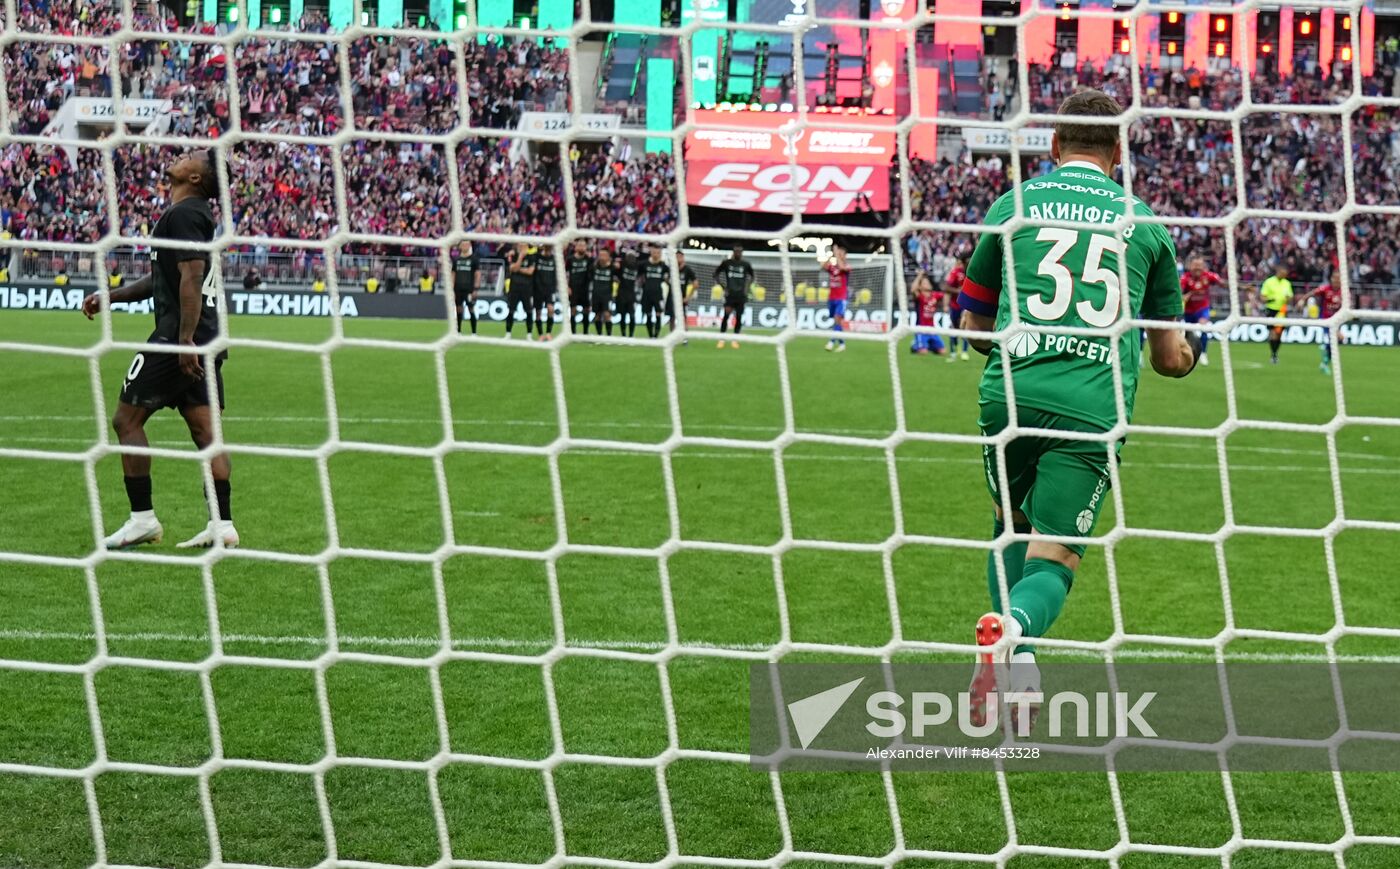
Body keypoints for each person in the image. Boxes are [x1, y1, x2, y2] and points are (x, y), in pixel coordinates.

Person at [955, 90, 1198, 731]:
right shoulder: (1144, 224)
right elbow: (1170, 358)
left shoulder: (1014, 205)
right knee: (1057, 555)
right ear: (1117, 153)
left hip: (1009, 394)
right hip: (1090, 407)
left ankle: (1017, 662)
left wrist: (1021, 330)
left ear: (1055, 146)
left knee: (1010, 523)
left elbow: (973, 324)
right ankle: (1015, 631)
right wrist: (1194, 354)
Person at [80, 150, 239, 550]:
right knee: (206, 433)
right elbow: (162, 280)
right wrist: (112, 296)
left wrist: (184, 341)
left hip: (178, 339)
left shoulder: (185, 215)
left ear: (197, 178)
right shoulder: (193, 216)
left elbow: (190, 276)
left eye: (192, 157)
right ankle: (223, 525)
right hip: (206, 338)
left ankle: (142, 519)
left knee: (125, 420)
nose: (183, 156)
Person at [1296, 271, 1344, 374]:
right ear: (1331, 279)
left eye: (1338, 278)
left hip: (1337, 320)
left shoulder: (1344, 292)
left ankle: (1324, 361)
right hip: (1326, 320)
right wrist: (1302, 300)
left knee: (1334, 344)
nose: (1336, 280)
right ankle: (1325, 352)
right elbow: (1312, 293)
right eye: (1334, 278)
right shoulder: (1325, 289)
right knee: (1335, 339)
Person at [1180, 256, 1223, 365]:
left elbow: (1224, 283)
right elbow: (1179, 292)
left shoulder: (1208, 276)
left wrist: (1243, 287)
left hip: (1202, 308)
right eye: (1195, 265)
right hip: (1189, 310)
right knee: (1188, 333)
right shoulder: (1185, 278)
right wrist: (1184, 296)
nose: (1198, 268)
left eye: (1200, 265)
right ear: (1190, 266)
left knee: (1204, 326)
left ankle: (1203, 353)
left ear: (1204, 266)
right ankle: (1189, 354)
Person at [717, 244, 754, 348]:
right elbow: (716, 274)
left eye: (740, 251)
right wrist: (723, 287)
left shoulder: (745, 264)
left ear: (742, 253)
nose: (738, 253)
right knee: (726, 315)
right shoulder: (727, 263)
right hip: (730, 295)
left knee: (739, 317)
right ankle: (721, 339)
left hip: (741, 295)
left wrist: (747, 287)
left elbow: (752, 276)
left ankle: (735, 340)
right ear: (733, 252)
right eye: (736, 251)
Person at [1260, 263, 1293, 364]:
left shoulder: (1287, 283)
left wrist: (1288, 299)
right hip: (1271, 310)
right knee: (1273, 333)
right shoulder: (1269, 282)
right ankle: (1273, 354)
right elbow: (1262, 297)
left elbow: (1290, 296)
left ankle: (1275, 353)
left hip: (1282, 311)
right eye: (1283, 273)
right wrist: (1270, 299)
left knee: (1279, 334)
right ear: (1278, 271)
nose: (1284, 275)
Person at [504, 241, 536, 339]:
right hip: (514, 288)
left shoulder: (532, 257)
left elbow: (530, 271)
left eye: (524, 245)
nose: (522, 247)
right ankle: (508, 333)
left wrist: (519, 269)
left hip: (527, 288)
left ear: (527, 246)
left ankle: (529, 335)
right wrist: (520, 257)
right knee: (511, 311)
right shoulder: (514, 255)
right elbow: (512, 269)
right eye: (520, 245)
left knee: (529, 311)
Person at [823, 242, 851, 352]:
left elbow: (842, 267)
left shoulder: (847, 266)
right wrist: (831, 255)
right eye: (838, 253)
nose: (839, 255)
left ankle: (831, 342)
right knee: (837, 322)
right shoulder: (833, 268)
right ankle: (842, 344)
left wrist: (837, 255)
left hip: (841, 298)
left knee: (837, 319)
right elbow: (823, 265)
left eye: (841, 254)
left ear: (845, 255)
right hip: (832, 298)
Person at [909, 272, 946, 356]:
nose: (928, 284)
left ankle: (928, 345)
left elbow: (945, 294)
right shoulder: (920, 297)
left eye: (928, 282)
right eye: (925, 283)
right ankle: (915, 345)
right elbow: (913, 289)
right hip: (920, 329)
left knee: (943, 352)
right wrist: (919, 276)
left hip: (932, 329)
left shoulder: (935, 295)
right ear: (920, 286)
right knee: (923, 353)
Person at [944, 257, 971, 361]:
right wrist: (958, 291)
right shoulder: (956, 272)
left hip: (967, 307)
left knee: (966, 327)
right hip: (955, 306)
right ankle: (953, 352)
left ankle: (964, 352)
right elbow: (946, 288)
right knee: (954, 328)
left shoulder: (973, 272)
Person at [667, 250, 697, 340]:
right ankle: (672, 337)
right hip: (671, 297)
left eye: (679, 257)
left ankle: (685, 337)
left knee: (683, 318)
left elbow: (696, 284)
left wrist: (688, 297)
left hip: (681, 298)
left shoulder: (687, 269)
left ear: (683, 258)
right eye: (676, 257)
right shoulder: (671, 268)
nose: (677, 259)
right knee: (672, 317)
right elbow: (666, 279)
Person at [641, 244, 668, 339]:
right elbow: (639, 275)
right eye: (654, 252)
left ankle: (655, 336)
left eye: (658, 252)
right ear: (651, 253)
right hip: (647, 294)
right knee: (648, 315)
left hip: (658, 294)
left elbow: (669, 276)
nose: (656, 254)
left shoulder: (663, 266)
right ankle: (650, 335)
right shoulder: (644, 264)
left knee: (658, 314)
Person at [451, 241, 479, 334]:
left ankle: (474, 332)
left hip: (469, 289)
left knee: (471, 309)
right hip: (458, 289)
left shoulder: (474, 259)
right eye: (463, 245)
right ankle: (458, 331)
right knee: (458, 309)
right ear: (460, 246)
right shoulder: (456, 260)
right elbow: (453, 274)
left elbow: (477, 274)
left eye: (467, 244)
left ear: (470, 246)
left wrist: (476, 288)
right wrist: (452, 288)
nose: (465, 246)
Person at [589, 247, 617, 336]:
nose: (602, 257)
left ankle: (609, 336)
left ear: (608, 257)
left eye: (604, 255)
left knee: (607, 314)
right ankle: (599, 335)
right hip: (596, 294)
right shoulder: (594, 267)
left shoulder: (612, 268)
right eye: (600, 255)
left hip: (607, 295)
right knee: (597, 315)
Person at [532, 243, 558, 341]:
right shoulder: (537, 257)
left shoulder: (554, 259)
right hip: (538, 289)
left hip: (550, 289)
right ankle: (540, 334)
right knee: (538, 312)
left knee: (550, 309)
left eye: (550, 247)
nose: (548, 249)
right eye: (547, 247)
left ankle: (548, 333)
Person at [567, 239, 592, 334]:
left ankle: (585, 333)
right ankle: (573, 333)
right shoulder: (570, 259)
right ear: (576, 247)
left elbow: (592, 272)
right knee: (573, 310)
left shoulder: (589, 259)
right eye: (580, 245)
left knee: (586, 310)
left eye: (583, 245)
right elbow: (565, 273)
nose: (582, 247)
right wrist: (567, 286)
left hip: (585, 289)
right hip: (573, 288)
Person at [616, 249, 641, 338]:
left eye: (632, 256)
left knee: (632, 315)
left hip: (631, 294)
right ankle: (623, 335)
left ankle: (631, 335)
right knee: (622, 316)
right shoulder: (621, 265)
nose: (631, 258)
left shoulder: (637, 266)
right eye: (629, 256)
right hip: (622, 293)